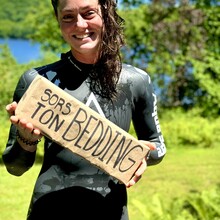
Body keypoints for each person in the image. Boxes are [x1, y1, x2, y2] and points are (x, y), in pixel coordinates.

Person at [2, 0, 166, 219]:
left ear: (107, 14)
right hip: (48, 211)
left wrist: (143, 155)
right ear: (58, 20)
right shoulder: (37, 82)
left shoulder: (135, 81)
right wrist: (26, 139)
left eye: (89, 13)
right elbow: (14, 167)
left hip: (110, 210)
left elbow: (158, 146)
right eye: (68, 17)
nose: (79, 25)